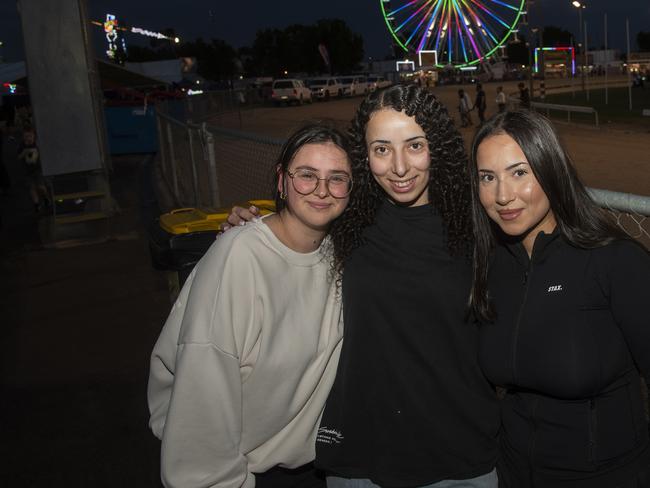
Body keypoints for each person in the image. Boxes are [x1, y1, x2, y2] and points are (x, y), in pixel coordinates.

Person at [227, 84, 500, 488]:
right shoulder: (341, 223)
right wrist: (249, 230)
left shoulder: (478, 226)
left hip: (460, 454)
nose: (400, 167)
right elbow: (284, 243)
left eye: (415, 146)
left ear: (437, 147)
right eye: (382, 149)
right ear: (364, 156)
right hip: (361, 455)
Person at [147, 123, 353, 488]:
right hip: (244, 475)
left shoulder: (341, 253)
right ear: (281, 180)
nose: (322, 190)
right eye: (306, 175)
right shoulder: (238, 258)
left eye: (337, 178)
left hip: (317, 468)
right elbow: (201, 399)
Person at [468, 109, 650, 487]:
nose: (503, 195)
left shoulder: (615, 261)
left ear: (551, 170)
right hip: (514, 474)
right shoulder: (490, 265)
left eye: (519, 172)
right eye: (488, 177)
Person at [17, 127, 49, 213]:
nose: (28, 138)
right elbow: (18, 157)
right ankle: (36, 204)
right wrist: (24, 153)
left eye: (30, 136)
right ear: (23, 137)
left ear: (34, 136)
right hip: (27, 171)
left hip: (38, 170)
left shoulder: (37, 144)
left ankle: (46, 198)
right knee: (32, 188)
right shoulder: (22, 145)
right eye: (26, 136)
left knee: (41, 187)